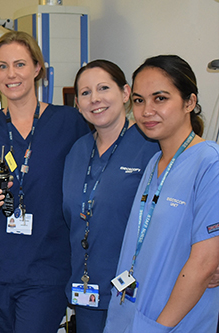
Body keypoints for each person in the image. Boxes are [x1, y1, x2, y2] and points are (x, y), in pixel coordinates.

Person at [0, 31, 89, 333]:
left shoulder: (69, 123)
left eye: (19, 64)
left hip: (44, 270)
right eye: (2, 66)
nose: (11, 74)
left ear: (37, 68)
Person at [103, 55, 219, 332]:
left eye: (161, 98)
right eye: (140, 100)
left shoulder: (209, 163)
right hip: (130, 314)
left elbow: (204, 264)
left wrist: (157, 327)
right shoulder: (155, 164)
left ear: (189, 102)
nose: (146, 111)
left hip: (171, 323)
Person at [62, 60, 159, 333]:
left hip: (137, 293)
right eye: (85, 93)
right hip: (88, 291)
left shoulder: (150, 145)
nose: (95, 99)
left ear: (126, 93)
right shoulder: (77, 151)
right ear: (78, 105)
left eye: (103, 88)